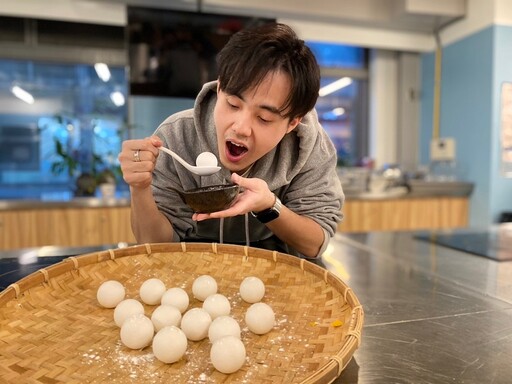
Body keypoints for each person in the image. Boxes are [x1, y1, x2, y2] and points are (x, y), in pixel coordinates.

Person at [118, 22, 344, 259]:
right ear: (219, 89)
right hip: (188, 263)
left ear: (292, 123)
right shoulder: (176, 136)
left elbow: (314, 244)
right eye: (233, 104)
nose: (241, 128)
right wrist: (140, 187)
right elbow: (154, 245)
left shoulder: (309, 146)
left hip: (276, 270)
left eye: (264, 118)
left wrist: (269, 206)